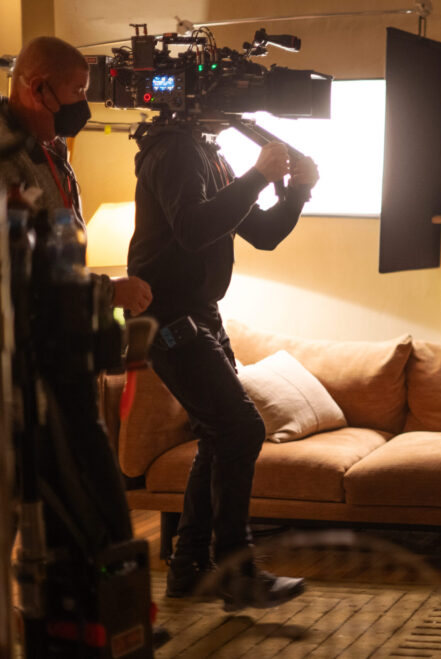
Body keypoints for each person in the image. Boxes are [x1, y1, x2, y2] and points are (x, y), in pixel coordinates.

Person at [128, 117, 318, 610]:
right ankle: (236, 571)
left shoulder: (206, 151)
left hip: (201, 312)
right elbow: (193, 230)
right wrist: (258, 176)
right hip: (167, 315)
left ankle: (189, 569)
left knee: (219, 434)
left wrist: (296, 192)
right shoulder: (173, 150)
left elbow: (263, 233)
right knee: (240, 429)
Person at [0, 36, 152, 316]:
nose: (84, 105)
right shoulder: (7, 158)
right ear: (38, 89)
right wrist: (107, 292)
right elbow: (21, 269)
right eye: (78, 90)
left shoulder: (49, 144)